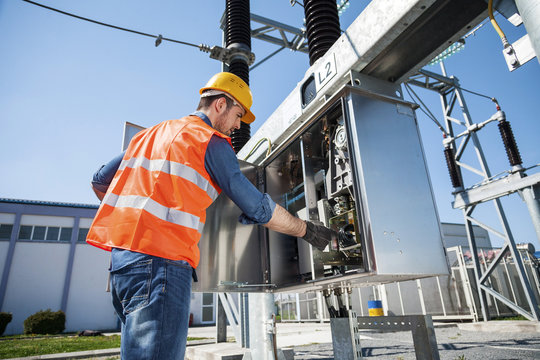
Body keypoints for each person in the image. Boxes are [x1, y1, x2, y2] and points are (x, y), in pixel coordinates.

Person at [86, 72, 337, 359]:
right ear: (220, 105)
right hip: (162, 267)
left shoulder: (147, 136)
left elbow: (98, 181)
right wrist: (306, 230)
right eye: (238, 114)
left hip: (123, 267)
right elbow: (258, 207)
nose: (237, 125)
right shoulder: (210, 140)